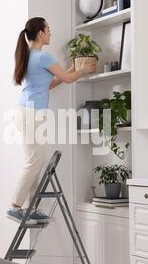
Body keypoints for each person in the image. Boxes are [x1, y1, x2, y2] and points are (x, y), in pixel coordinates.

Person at [8, 17, 96, 224]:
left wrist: (73, 71)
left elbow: (49, 84)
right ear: (40, 33)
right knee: (34, 161)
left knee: (36, 161)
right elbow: (67, 79)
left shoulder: (29, 56)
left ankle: (30, 207)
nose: (50, 33)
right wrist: (83, 70)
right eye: (48, 29)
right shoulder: (43, 57)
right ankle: (14, 206)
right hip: (32, 114)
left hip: (28, 112)